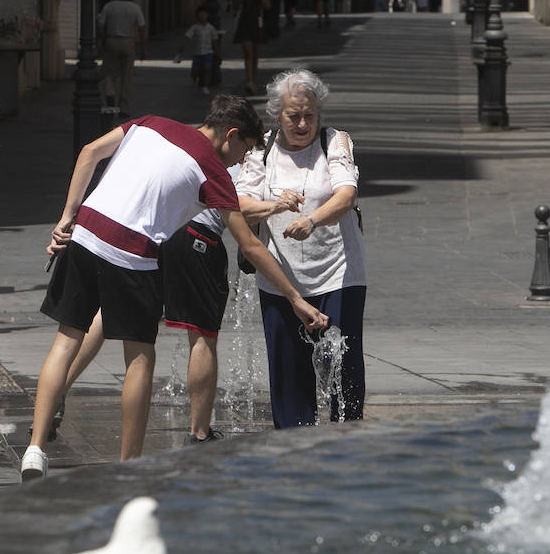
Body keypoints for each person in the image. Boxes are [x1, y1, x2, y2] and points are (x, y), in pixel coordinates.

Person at [20, 94, 327, 479]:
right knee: (140, 357)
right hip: (132, 252)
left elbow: (88, 152)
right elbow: (248, 244)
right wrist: (296, 298)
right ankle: (129, 466)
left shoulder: (151, 122)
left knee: (65, 341)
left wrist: (68, 216)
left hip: (84, 234)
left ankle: (34, 450)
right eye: (244, 151)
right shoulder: (213, 169)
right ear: (230, 135)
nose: (240, 162)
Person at [53, 164, 295, 446]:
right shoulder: (251, 157)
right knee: (202, 335)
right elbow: (238, 206)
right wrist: (276, 206)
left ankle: (57, 390)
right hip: (198, 236)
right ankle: (199, 432)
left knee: (109, 312)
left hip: (155, 232)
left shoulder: (192, 144)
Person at [235, 69, 366, 428]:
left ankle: (346, 442)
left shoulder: (335, 142)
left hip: (339, 272)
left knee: (343, 367)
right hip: (280, 278)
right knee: (288, 371)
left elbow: (346, 194)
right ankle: (292, 449)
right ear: (277, 114)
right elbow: (240, 204)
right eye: (294, 116)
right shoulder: (261, 150)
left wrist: (311, 221)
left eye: (310, 114)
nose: (303, 123)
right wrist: (276, 207)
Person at [97, 0, 147, 117]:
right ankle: (123, 106)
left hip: (111, 40)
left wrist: (103, 40)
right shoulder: (134, 8)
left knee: (109, 72)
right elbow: (141, 28)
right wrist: (143, 48)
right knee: (127, 75)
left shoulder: (109, 6)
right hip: (128, 42)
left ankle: (110, 94)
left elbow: (101, 25)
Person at [233, 0, 271, 96]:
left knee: (255, 55)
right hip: (245, 24)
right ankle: (249, 80)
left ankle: (252, 81)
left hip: (257, 25)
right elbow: (237, 5)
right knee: (248, 54)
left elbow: (268, 6)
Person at [176, 6, 222, 96]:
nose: (202, 16)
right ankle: (195, 79)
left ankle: (205, 86)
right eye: (200, 15)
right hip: (197, 53)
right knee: (194, 71)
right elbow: (188, 36)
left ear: (207, 15)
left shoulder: (211, 28)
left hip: (208, 52)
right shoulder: (195, 27)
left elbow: (215, 41)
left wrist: (218, 53)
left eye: (203, 14)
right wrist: (183, 45)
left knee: (207, 69)